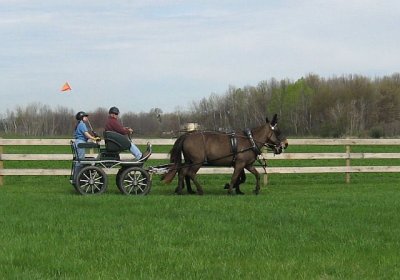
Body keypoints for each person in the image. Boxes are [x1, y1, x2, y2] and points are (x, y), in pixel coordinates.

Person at [73, 111, 100, 179]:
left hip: (79, 143)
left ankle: (76, 177)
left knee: (79, 161)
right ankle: (77, 177)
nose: (87, 118)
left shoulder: (80, 124)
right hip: (80, 144)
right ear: (82, 117)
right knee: (80, 162)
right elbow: (86, 134)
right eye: (85, 116)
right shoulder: (82, 124)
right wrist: (93, 138)